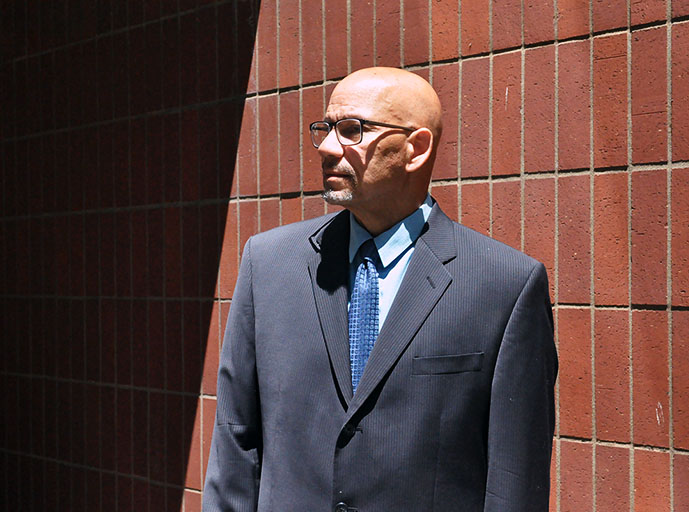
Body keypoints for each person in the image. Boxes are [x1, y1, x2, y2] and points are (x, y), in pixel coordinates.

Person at [202, 67, 558, 511]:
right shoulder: (268, 265)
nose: (329, 148)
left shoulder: (505, 285)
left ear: (416, 148)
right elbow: (236, 441)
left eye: (352, 130)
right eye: (326, 129)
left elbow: (515, 481)